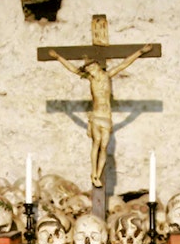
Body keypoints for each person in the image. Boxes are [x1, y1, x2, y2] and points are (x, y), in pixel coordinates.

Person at [48, 44, 153, 187]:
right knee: (96, 143)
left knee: (104, 146)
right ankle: (94, 174)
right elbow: (72, 69)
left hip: (107, 117)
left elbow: (124, 64)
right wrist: (58, 57)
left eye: (91, 67)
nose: (90, 70)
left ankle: (98, 172)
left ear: (97, 65)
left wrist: (140, 52)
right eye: (88, 69)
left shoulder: (107, 75)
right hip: (96, 115)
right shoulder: (91, 79)